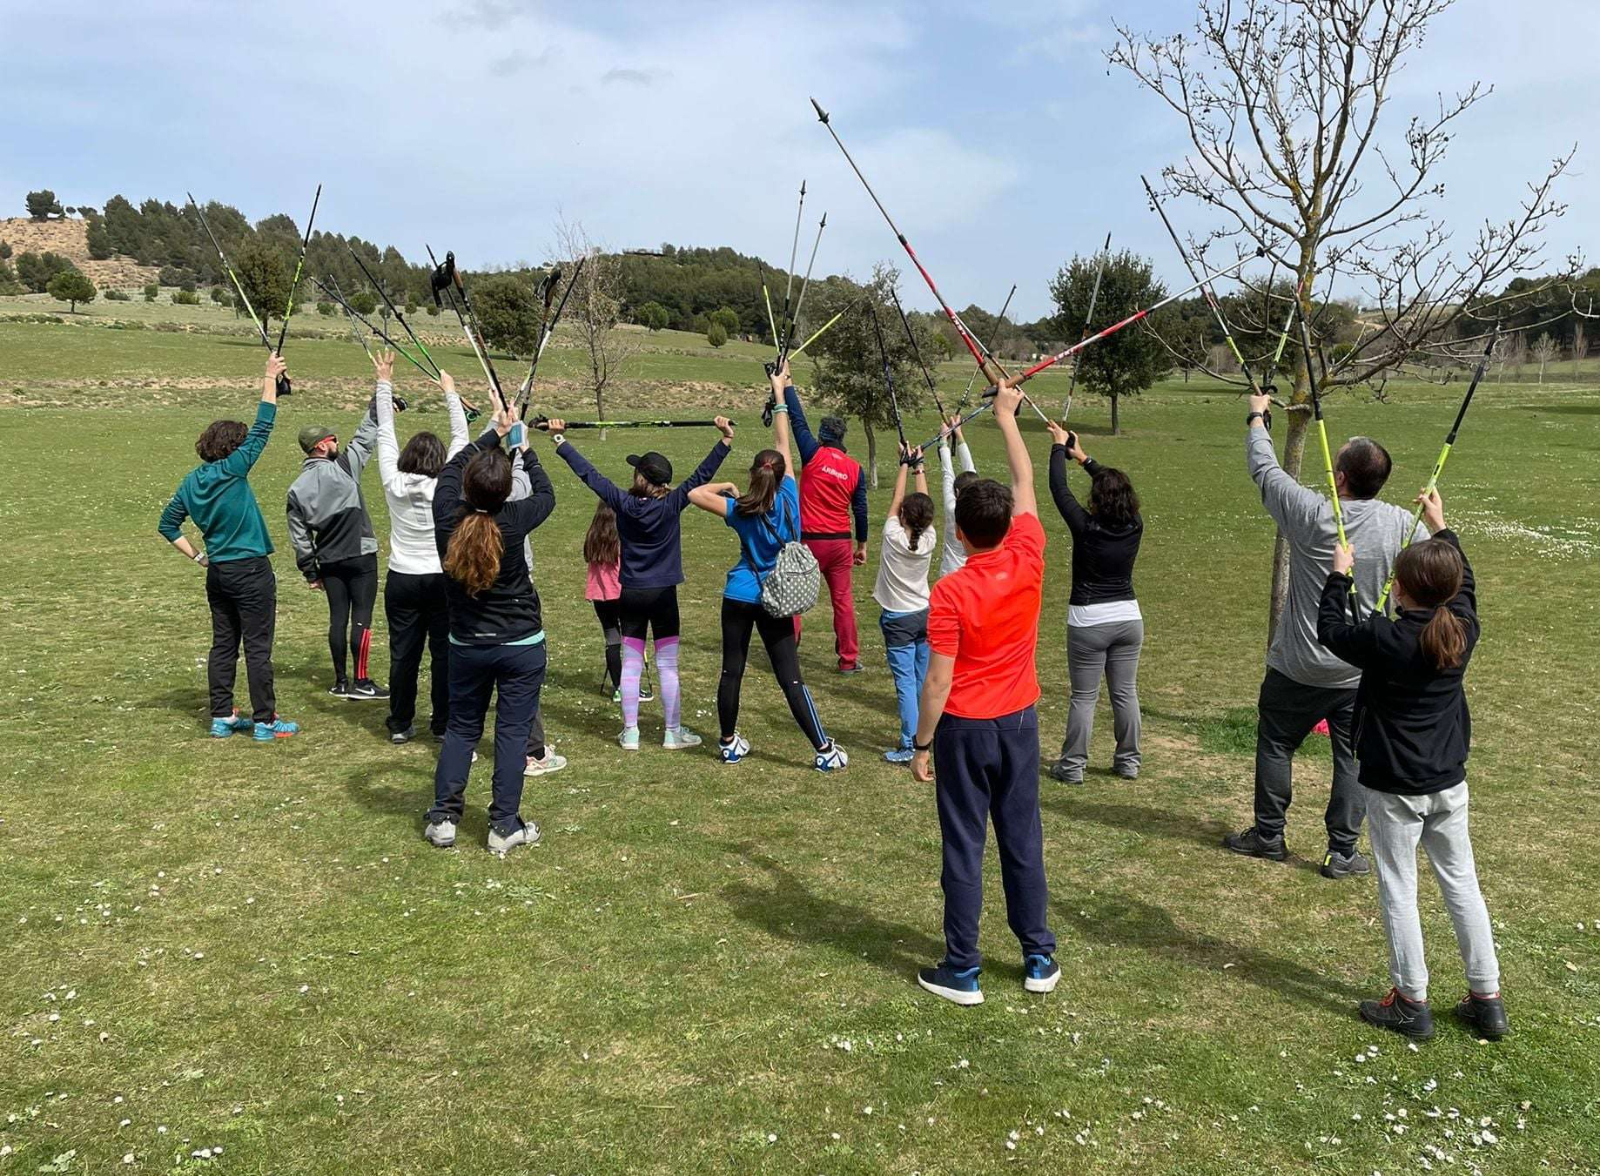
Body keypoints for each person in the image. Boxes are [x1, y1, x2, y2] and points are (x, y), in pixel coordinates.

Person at [1316, 491, 1506, 1041]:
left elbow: (1331, 631)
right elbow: (1464, 583)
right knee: (1461, 883)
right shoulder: (1462, 627)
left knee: (1399, 887)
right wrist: (1441, 528)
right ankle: (1486, 998)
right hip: (1449, 782)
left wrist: (1339, 576)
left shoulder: (1383, 637)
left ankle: (1411, 1001)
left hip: (1395, 788)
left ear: (1402, 589)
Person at [1224, 390, 1424, 879]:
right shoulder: (1402, 524)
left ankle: (1270, 836)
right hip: (1359, 668)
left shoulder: (1312, 514)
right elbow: (1436, 564)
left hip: (1298, 665)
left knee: (1276, 745)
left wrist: (1257, 417)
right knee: (1352, 757)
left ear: (1339, 479)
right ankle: (1342, 851)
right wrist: (1437, 530)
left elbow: (1265, 471)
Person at [911, 380, 1058, 1006]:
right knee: (1022, 839)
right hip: (1019, 723)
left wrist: (921, 743)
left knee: (965, 844)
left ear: (961, 533)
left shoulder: (948, 592)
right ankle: (1038, 956)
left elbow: (938, 678)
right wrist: (1006, 417)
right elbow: (1025, 484)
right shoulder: (1028, 553)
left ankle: (964, 969)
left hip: (966, 730)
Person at [686, 360, 848, 770]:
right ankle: (824, 751)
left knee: (731, 672)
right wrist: (780, 391)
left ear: (754, 475)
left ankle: (727, 743)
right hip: (775, 599)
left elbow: (693, 495)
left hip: (739, 593)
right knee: (790, 679)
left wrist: (723, 485)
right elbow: (784, 439)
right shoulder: (790, 496)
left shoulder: (740, 509)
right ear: (778, 475)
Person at [547, 417, 732, 750]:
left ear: (642, 478)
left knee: (632, 662)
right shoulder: (672, 504)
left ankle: (631, 732)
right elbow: (701, 476)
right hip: (663, 595)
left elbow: (590, 475)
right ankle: (672, 732)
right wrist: (724, 442)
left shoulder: (623, 503)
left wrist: (560, 441)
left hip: (630, 593)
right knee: (667, 663)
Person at [423, 403, 555, 854]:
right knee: (512, 734)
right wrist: (525, 448)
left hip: (468, 645)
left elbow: (451, 468)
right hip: (520, 644)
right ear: (504, 493)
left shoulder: (447, 514)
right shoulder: (516, 517)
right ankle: (503, 826)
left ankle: (444, 817)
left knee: (462, 729)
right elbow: (547, 494)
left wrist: (492, 434)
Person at [157, 353, 298, 741]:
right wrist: (269, 377)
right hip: (251, 571)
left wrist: (199, 556)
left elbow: (167, 524)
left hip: (218, 573)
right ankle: (266, 722)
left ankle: (222, 716)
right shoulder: (234, 469)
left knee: (223, 645)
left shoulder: (190, 482)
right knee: (257, 649)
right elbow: (263, 425)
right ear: (232, 449)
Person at [1044, 422, 1145, 784]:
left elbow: (1058, 488)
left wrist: (1059, 448)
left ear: (1097, 499)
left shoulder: (1086, 528)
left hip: (1088, 620)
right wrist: (1084, 458)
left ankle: (1072, 766)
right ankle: (1128, 761)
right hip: (1128, 619)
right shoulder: (1135, 524)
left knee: (1084, 697)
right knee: (1125, 693)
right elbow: (1115, 486)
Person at [374, 355, 468, 744]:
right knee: (445, 655)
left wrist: (383, 383)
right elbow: (462, 439)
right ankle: (443, 725)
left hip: (402, 579)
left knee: (403, 654)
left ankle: (399, 723)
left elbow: (384, 432)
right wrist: (450, 393)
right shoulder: (447, 484)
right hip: (442, 579)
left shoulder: (393, 482)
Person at [286, 387, 388, 702]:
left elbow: (299, 535)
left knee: (337, 618)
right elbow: (365, 437)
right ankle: (362, 681)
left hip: (328, 561)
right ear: (321, 445)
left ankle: (341, 681)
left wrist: (309, 571)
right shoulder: (344, 468)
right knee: (362, 618)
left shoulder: (296, 488)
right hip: (360, 556)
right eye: (333, 440)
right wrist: (378, 402)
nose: (338, 444)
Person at [783, 378, 869, 672]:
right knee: (843, 602)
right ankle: (848, 659)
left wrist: (788, 384)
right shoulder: (855, 469)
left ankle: (789, 652)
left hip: (809, 540)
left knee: (795, 597)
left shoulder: (813, 454)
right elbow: (861, 509)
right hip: (841, 543)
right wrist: (863, 545)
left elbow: (797, 420)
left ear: (821, 436)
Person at [873, 444, 935, 764]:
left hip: (898, 620)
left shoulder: (892, 534)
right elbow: (920, 505)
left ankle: (911, 744)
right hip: (925, 616)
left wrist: (902, 465)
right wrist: (918, 467)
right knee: (923, 681)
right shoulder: (928, 538)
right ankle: (927, 737)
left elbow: (897, 502)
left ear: (903, 517)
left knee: (907, 685)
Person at [581, 503, 653, 706]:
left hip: (600, 597)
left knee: (612, 640)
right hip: (622, 594)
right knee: (632, 641)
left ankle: (619, 687)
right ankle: (630, 688)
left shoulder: (593, 537)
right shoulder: (622, 538)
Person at [936, 414, 980, 578]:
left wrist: (943, 441)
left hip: (951, 573)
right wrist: (959, 434)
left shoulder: (952, 508)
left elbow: (948, 473)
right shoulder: (982, 507)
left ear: (957, 493)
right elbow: (971, 470)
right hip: (976, 574)